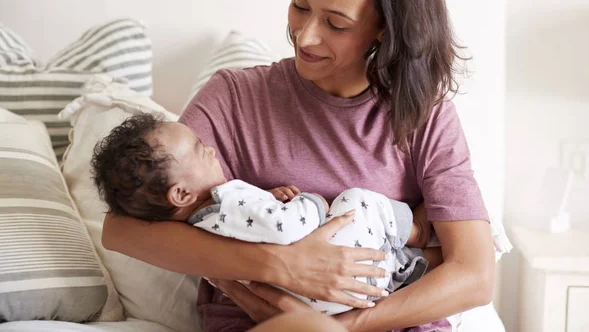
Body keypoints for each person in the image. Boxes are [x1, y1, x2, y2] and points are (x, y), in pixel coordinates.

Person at [101, 0, 496, 330]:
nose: (305, 36)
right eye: (299, 5)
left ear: (383, 29)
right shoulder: (235, 98)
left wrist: (345, 326)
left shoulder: (424, 115)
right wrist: (282, 266)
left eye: (336, 24)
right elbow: (122, 231)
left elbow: (475, 276)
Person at [91, 112, 430, 315]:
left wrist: (265, 198)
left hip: (327, 303)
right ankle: (414, 231)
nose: (209, 149)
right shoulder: (224, 202)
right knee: (356, 202)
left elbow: (255, 223)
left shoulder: (203, 224)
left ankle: (404, 262)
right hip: (340, 278)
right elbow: (284, 228)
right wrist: (312, 202)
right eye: (198, 149)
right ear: (180, 193)